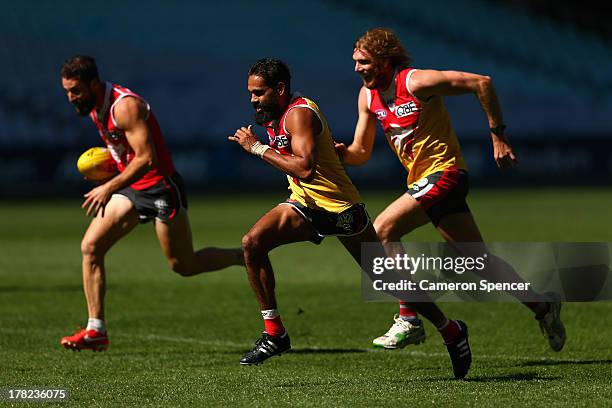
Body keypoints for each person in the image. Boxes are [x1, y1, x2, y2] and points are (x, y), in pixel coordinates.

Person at [229, 58, 472, 379]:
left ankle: (451, 330)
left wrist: (257, 148)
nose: (253, 99)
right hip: (304, 204)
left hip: (340, 209)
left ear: (280, 89)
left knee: (387, 279)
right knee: (252, 243)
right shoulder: (272, 115)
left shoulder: (298, 114)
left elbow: (304, 168)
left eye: (258, 93)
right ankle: (275, 333)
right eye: (251, 93)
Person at [335, 28, 566, 352]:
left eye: (364, 62)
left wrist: (497, 135)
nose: (358, 68)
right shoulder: (367, 96)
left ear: (385, 61)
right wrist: (338, 154)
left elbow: (480, 82)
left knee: (382, 230)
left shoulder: (416, 82)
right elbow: (361, 152)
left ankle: (409, 318)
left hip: (445, 173)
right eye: (355, 62)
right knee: (480, 263)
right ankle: (543, 307)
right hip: (423, 183)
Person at [59, 56, 243, 351]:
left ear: (93, 84)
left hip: (160, 188)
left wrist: (108, 186)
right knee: (91, 247)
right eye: (67, 91)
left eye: (76, 91)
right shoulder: (94, 107)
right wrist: (110, 169)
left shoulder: (125, 106)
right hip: (132, 189)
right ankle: (96, 330)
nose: (71, 98)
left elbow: (147, 158)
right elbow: (127, 153)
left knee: (183, 264)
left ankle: (242, 256)